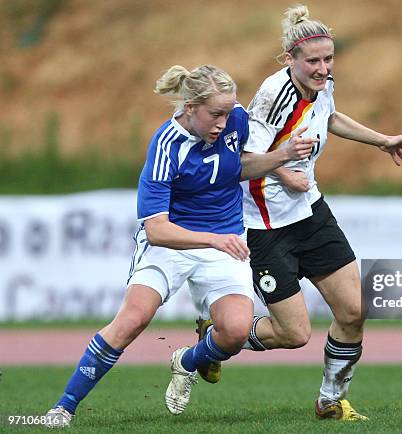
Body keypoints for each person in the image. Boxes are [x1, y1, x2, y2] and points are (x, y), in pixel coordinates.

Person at [44, 64, 315, 427]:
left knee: (235, 332)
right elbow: (156, 230)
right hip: (173, 243)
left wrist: (280, 162)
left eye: (227, 111)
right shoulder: (165, 146)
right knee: (133, 319)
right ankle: (63, 407)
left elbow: (237, 166)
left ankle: (186, 362)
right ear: (189, 108)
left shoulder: (235, 119)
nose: (224, 121)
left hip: (223, 242)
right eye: (214, 114)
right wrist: (214, 239)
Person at [195, 5, 402, 421]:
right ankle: (218, 335)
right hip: (263, 226)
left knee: (354, 311)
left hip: (310, 213)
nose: (322, 68)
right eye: (313, 61)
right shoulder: (271, 95)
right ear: (289, 60)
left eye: (328, 59)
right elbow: (241, 159)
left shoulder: (322, 84)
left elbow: (329, 116)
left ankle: (330, 400)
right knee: (294, 333)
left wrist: (381, 140)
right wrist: (283, 172)